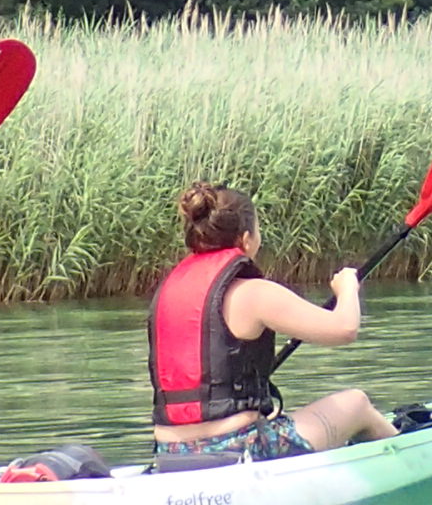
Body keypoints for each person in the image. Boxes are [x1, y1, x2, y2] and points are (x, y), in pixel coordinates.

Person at [147, 182, 392, 464]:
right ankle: (413, 457)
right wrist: (348, 288)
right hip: (242, 449)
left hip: (170, 455)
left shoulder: (167, 291)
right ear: (247, 238)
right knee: (357, 404)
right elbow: (344, 329)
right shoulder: (254, 293)